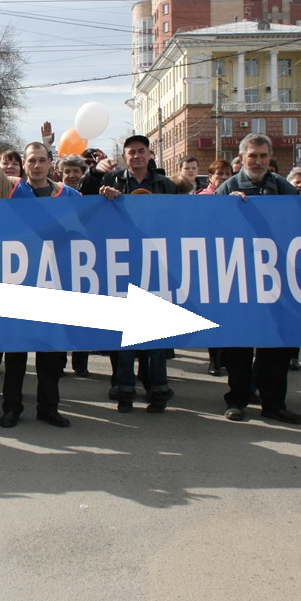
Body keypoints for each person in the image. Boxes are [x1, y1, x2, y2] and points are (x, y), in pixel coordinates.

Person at [0, 93, 77, 429]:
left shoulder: (68, 195)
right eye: (31, 161)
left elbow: (91, 230)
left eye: (43, 160)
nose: (37, 165)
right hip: (17, 283)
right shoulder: (10, 189)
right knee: (15, 354)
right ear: (24, 164)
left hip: (55, 284)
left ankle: (48, 407)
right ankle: (11, 407)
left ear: (49, 162)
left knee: (49, 354)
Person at [216, 133, 301, 425]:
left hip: (276, 281)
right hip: (240, 279)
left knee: (277, 347)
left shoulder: (282, 187)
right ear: (242, 158)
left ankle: (274, 403)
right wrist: (226, 209)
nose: (258, 162)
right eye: (252, 156)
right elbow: (209, 228)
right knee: (239, 347)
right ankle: (237, 401)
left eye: (262, 156)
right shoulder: (228, 188)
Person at [94, 135, 177, 412]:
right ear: (125, 156)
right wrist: (104, 195)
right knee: (126, 338)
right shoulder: (113, 182)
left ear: (150, 154)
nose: (137, 156)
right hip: (123, 266)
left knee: (156, 337)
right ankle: (125, 391)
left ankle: (158, 391)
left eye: (142, 151)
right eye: (132, 152)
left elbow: (181, 220)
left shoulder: (165, 185)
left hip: (157, 266)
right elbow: (91, 209)